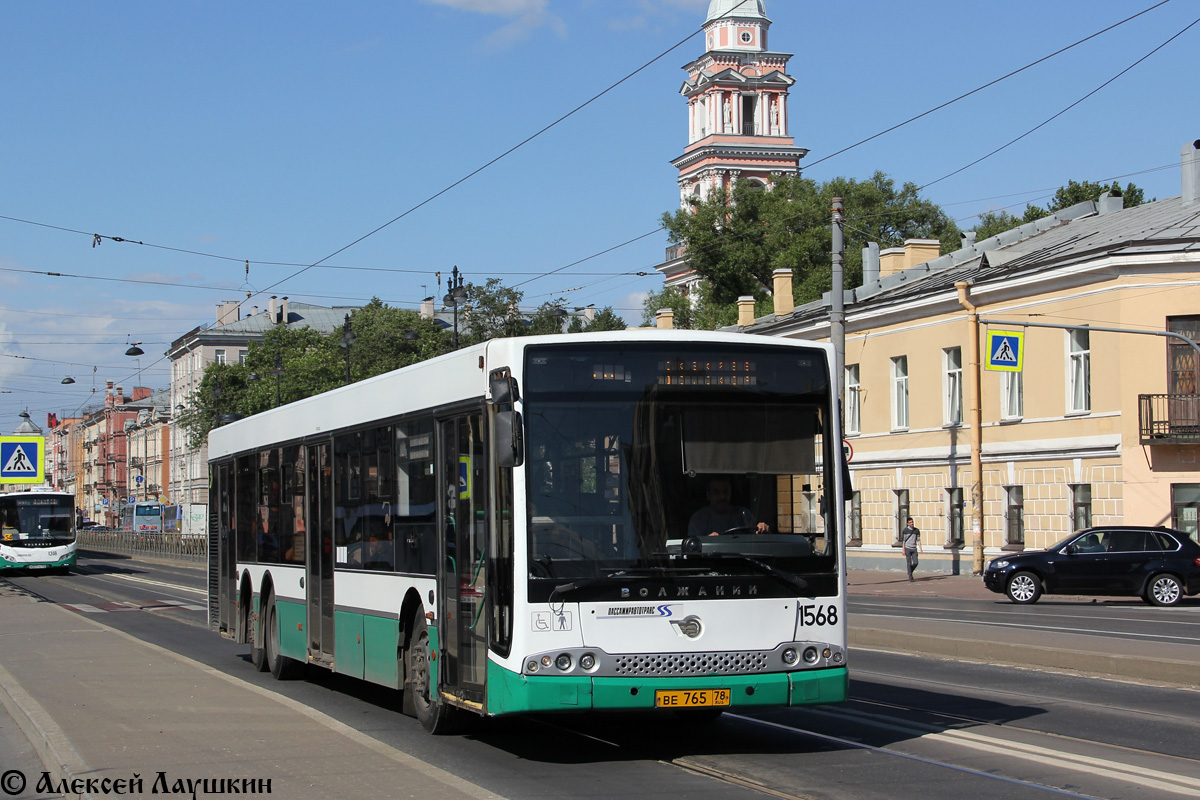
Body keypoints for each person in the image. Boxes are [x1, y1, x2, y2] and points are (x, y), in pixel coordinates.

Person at [688, 478, 768, 538]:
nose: (722, 496)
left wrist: (761, 529)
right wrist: (707, 541)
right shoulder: (698, 519)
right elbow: (693, 550)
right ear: (708, 495)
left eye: (726, 491)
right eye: (716, 492)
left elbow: (757, 539)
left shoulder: (744, 515)